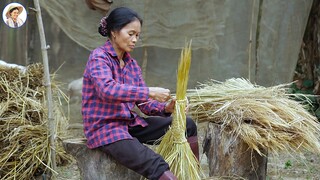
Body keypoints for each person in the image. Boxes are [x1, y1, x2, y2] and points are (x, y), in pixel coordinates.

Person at [82, 7, 199, 180]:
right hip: (105, 129)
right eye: (130, 34)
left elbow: (144, 104)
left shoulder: (131, 65)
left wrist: (167, 107)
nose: (134, 39)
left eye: (137, 35)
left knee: (188, 125)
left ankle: (193, 175)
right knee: (155, 164)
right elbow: (107, 89)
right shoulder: (99, 57)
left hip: (129, 125)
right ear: (114, 32)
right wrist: (149, 92)